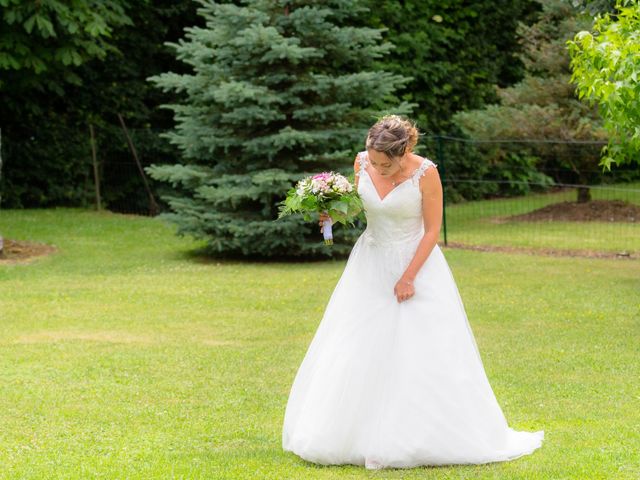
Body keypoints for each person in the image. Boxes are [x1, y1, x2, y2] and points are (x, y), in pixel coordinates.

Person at [281, 114, 544, 470]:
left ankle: (419, 434)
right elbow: (366, 208)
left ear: (404, 151)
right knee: (357, 342)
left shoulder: (426, 173)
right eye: (372, 161)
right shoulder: (362, 161)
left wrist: (409, 277)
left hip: (415, 263)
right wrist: (331, 214)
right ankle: (353, 434)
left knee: (418, 348)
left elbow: (432, 230)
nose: (376, 167)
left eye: (384, 164)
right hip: (370, 264)